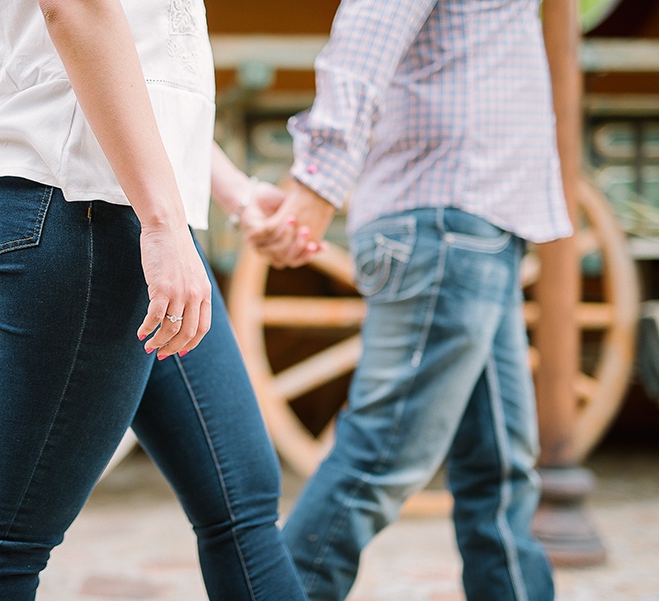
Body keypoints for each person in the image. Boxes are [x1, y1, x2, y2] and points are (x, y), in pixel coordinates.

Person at [0, 0, 309, 599]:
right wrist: (161, 224)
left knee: (241, 499)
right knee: (8, 541)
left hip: (124, 209)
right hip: (85, 204)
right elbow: (78, 9)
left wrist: (235, 193)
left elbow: (148, 73)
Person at [243, 1, 573, 600]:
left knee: (501, 473)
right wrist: (318, 179)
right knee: (379, 461)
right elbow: (367, 32)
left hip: (482, 218)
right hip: (447, 218)